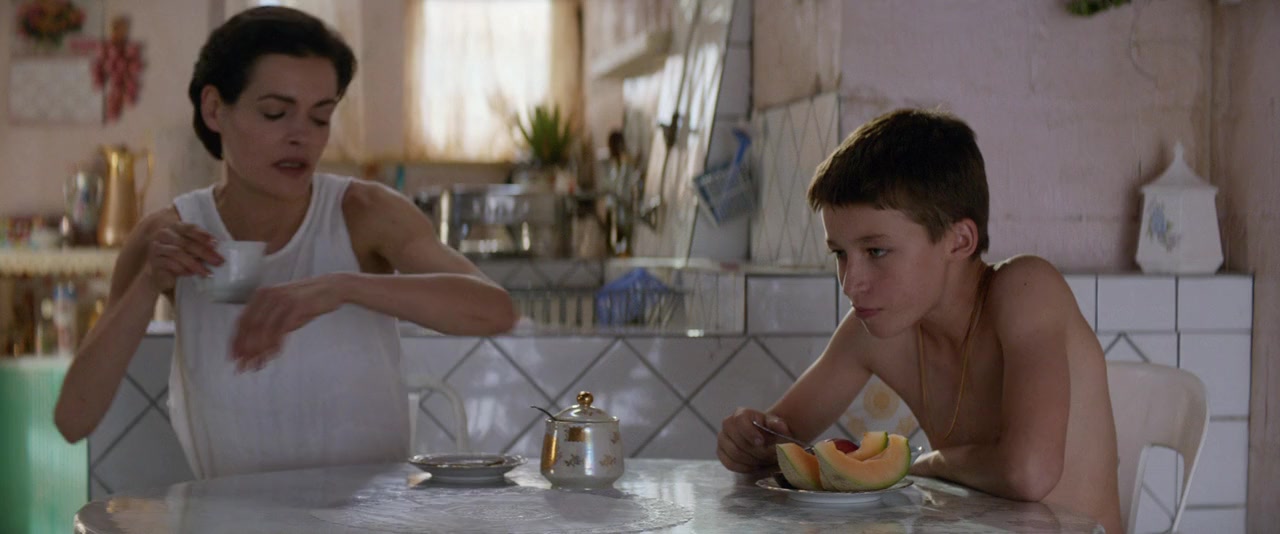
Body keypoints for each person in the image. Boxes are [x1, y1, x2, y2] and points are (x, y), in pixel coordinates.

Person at [54, 6, 517, 479]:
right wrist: (149, 282)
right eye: (275, 113)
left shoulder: (363, 213)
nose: (301, 137)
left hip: (372, 513)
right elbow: (74, 419)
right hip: (231, 513)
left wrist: (340, 287)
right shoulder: (172, 235)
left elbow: (495, 311)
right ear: (214, 109)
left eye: (321, 117)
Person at [716, 108, 1124, 533]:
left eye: (876, 251)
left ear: (959, 241)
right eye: (839, 254)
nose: (851, 282)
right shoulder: (877, 328)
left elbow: (1029, 473)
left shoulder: (1027, 289)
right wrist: (748, 440)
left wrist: (930, 463)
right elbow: (779, 442)